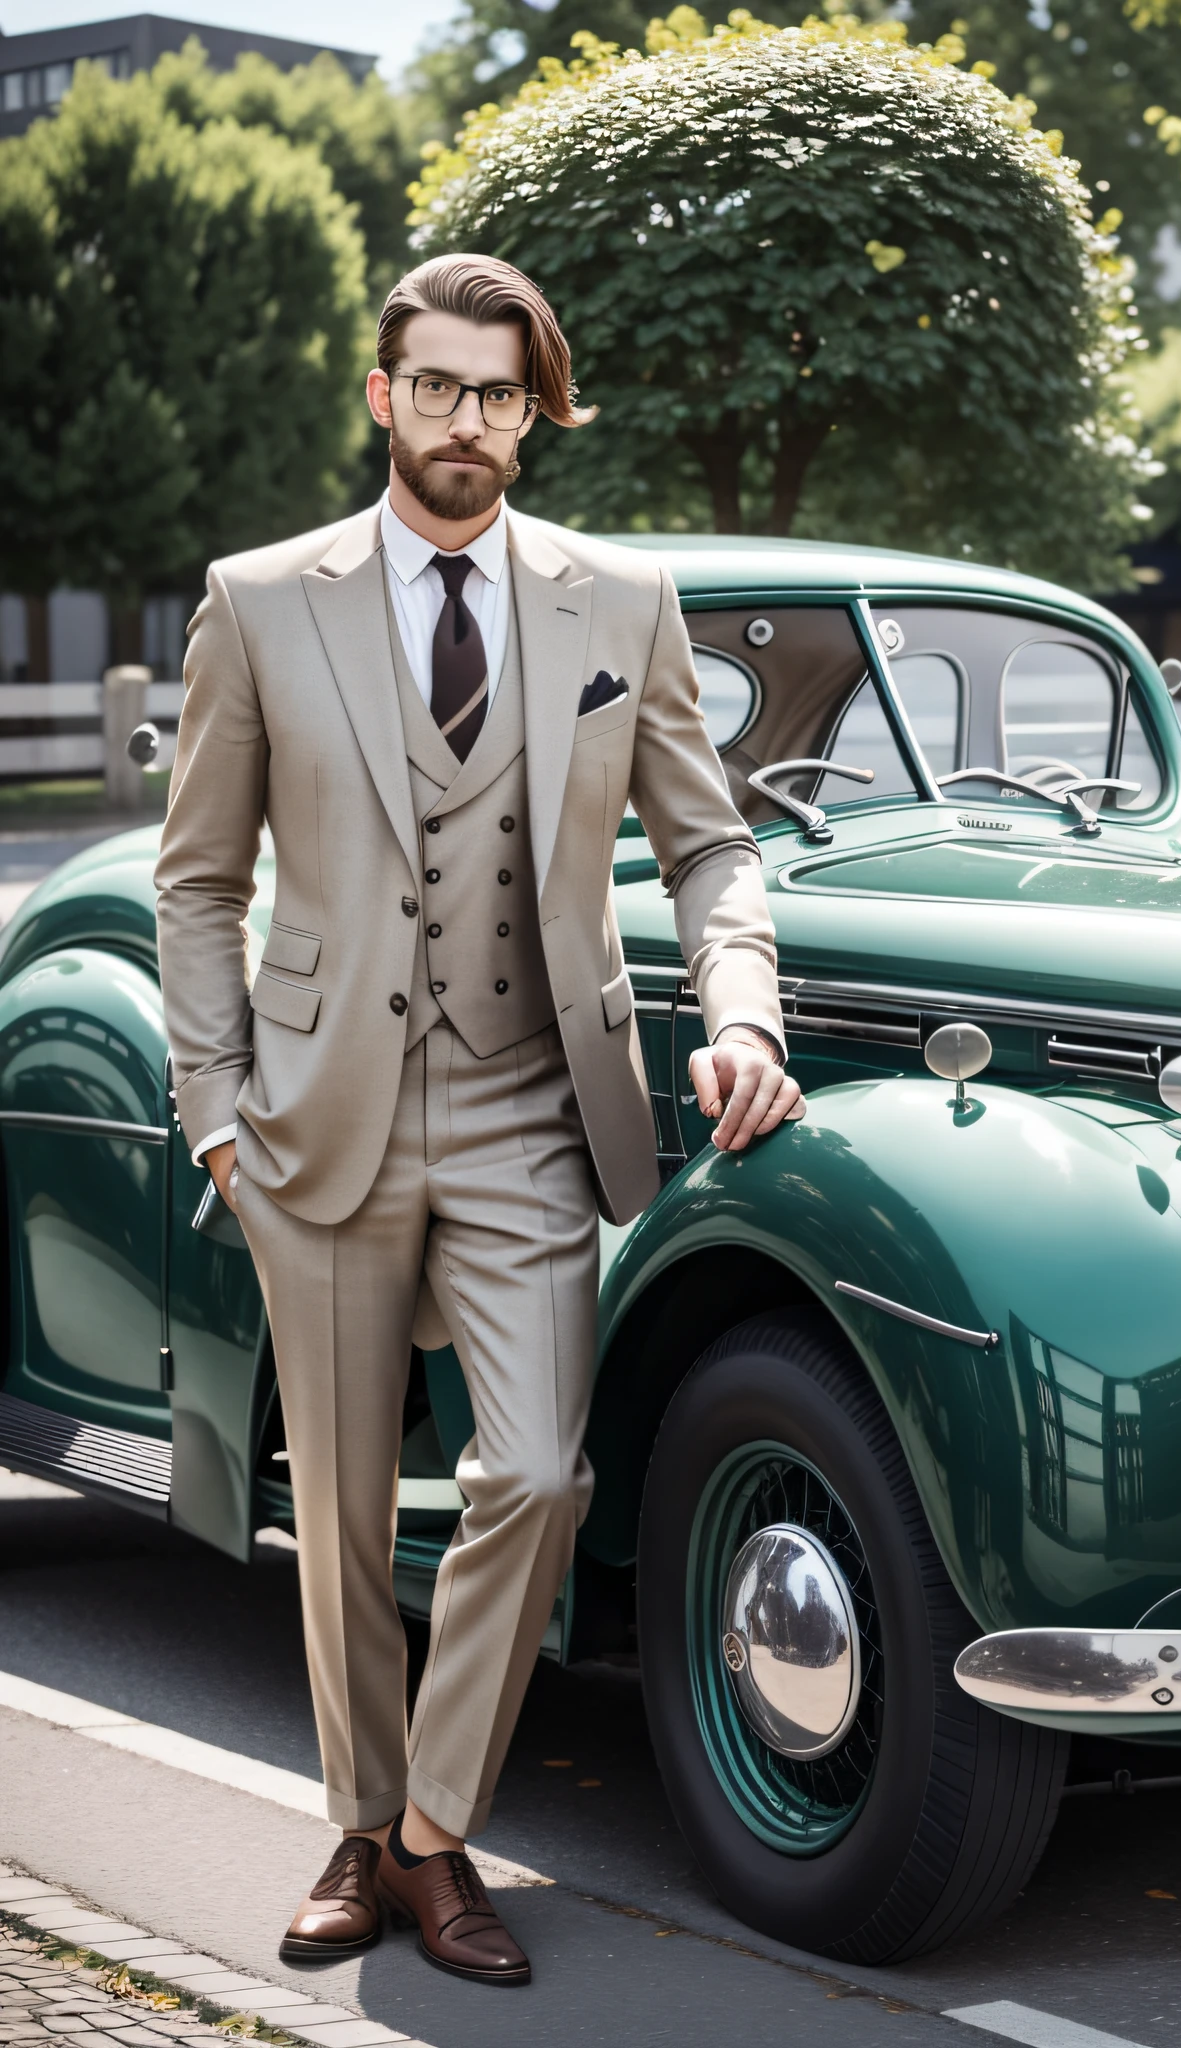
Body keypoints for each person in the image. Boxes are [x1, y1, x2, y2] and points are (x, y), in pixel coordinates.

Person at [154, 252, 804, 1987]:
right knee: (348, 1521)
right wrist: (215, 1108)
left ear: (537, 410)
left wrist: (741, 1008)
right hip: (315, 1120)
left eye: (498, 394)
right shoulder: (262, 600)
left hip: (533, 1105)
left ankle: (436, 1834)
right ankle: (361, 1835)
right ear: (383, 397)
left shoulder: (619, 603)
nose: (466, 420)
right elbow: (200, 879)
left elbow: (712, 845)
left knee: (534, 1473)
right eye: (435, 386)